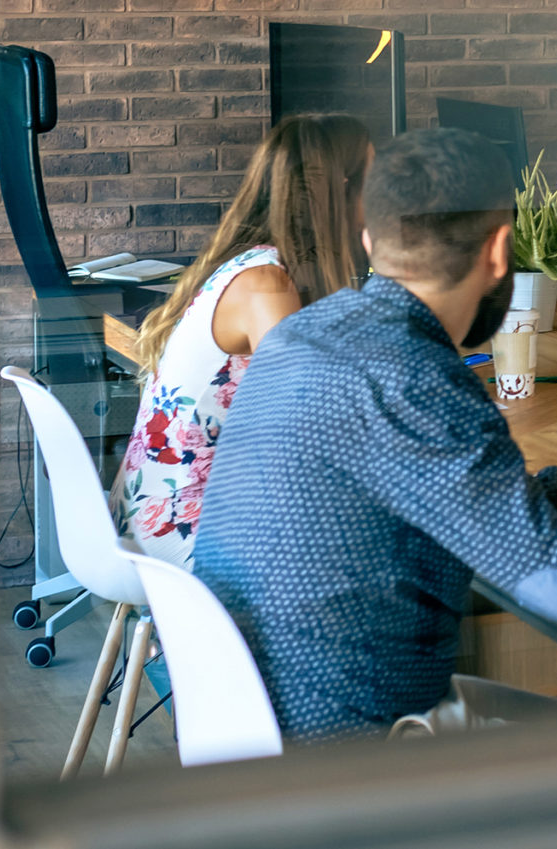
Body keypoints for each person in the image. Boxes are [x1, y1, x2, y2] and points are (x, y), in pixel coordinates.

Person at [191, 128, 557, 744]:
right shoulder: (415, 376)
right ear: (501, 250)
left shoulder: (307, 333)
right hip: (359, 756)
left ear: (371, 240)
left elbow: (457, 490)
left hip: (252, 722)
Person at [111, 114, 372, 570]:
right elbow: (309, 423)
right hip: (184, 527)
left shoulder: (253, 265)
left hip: (159, 507)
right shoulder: (265, 285)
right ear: (340, 190)